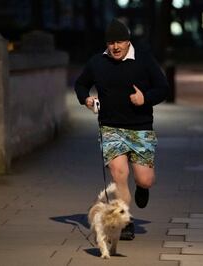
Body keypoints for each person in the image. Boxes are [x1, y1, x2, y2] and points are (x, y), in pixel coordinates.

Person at [74, 18, 168, 240]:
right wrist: (86, 100)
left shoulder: (144, 59)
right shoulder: (97, 62)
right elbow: (80, 84)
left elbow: (163, 88)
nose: (115, 47)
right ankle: (125, 221)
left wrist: (145, 98)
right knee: (119, 175)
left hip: (140, 128)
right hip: (110, 128)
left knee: (145, 179)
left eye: (120, 42)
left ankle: (142, 188)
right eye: (111, 43)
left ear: (128, 42)